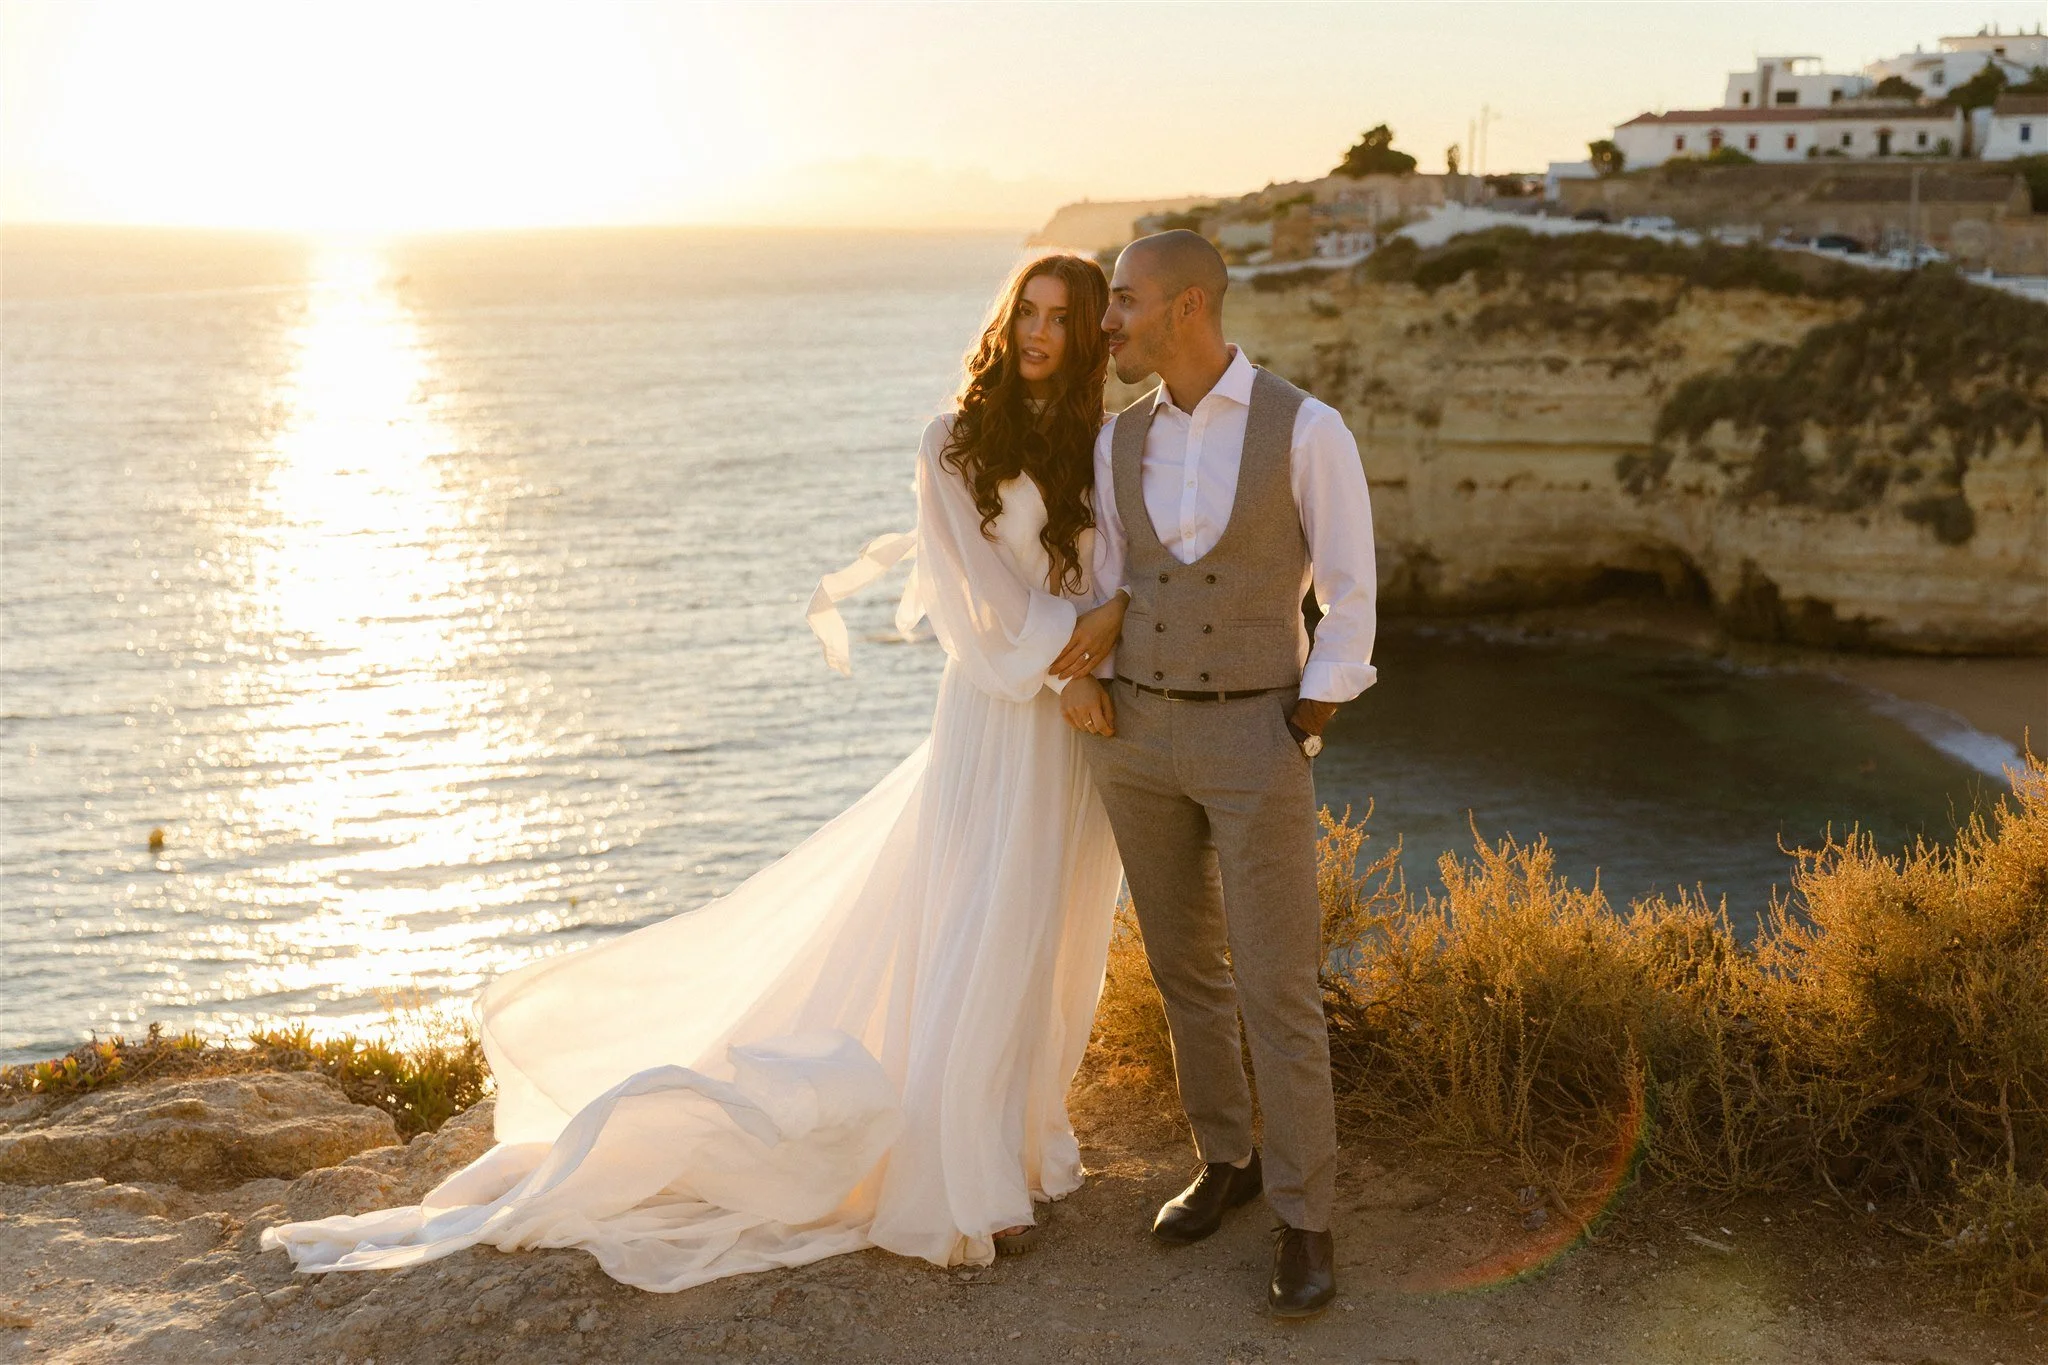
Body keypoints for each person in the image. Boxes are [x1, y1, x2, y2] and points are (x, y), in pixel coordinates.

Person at [262, 253, 1133, 1291]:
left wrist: (1102, 646)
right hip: (1002, 713)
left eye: (1062, 319)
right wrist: (1066, 670)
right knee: (976, 928)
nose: (1038, 333)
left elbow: (1121, 576)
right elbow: (971, 597)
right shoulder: (952, 443)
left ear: (1088, 335)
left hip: (1077, 728)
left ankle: (1019, 1145)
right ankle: (961, 1178)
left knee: (1044, 936)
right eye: (1027, 311)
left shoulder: (1103, 444)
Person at [1049, 229, 1378, 1319]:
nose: (1107, 322)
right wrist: (1084, 684)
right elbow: (1108, 576)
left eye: (1123, 301)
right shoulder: (1117, 439)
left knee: (1279, 984)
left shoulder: (1306, 428)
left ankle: (1305, 1216)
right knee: (1184, 968)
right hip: (1135, 736)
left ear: (1187, 306)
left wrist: (1308, 714)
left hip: (1254, 738)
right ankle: (1226, 1159)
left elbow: (1349, 590)